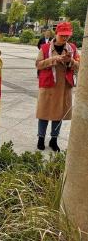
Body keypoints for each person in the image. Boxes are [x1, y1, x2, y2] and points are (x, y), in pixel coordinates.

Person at [36, 22, 80, 152]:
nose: (65, 38)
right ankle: (41, 138)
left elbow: (79, 65)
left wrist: (70, 61)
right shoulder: (45, 48)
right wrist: (54, 59)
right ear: (57, 33)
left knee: (59, 114)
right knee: (44, 113)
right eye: (62, 35)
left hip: (63, 86)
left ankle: (54, 139)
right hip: (48, 85)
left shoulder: (72, 48)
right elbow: (38, 65)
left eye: (67, 36)